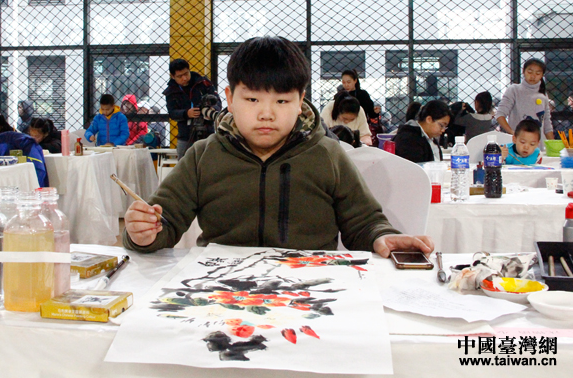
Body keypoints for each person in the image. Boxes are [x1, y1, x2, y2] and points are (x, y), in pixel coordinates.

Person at [123, 36, 433, 258]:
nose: (266, 113)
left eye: (282, 101)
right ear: (230, 99)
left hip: (311, 288)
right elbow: (165, 219)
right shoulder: (204, 156)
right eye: (252, 99)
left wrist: (383, 236)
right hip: (220, 289)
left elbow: (363, 221)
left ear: (301, 101)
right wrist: (143, 232)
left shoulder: (327, 154)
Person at [163, 59, 222, 159]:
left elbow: (217, 101)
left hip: (207, 133)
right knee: (184, 167)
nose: (184, 78)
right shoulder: (171, 92)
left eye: (186, 73)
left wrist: (212, 110)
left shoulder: (203, 83)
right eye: (179, 76)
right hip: (186, 135)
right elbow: (172, 113)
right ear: (173, 76)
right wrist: (186, 113)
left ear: (189, 70)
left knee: (210, 164)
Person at [495, 58, 555, 140]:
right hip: (518, 143)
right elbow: (500, 115)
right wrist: (513, 133)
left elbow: (547, 123)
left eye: (538, 73)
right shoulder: (514, 90)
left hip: (539, 145)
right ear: (523, 72)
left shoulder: (543, 94)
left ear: (542, 75)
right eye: (530, 72)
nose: (533, 76)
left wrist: (552, 145)